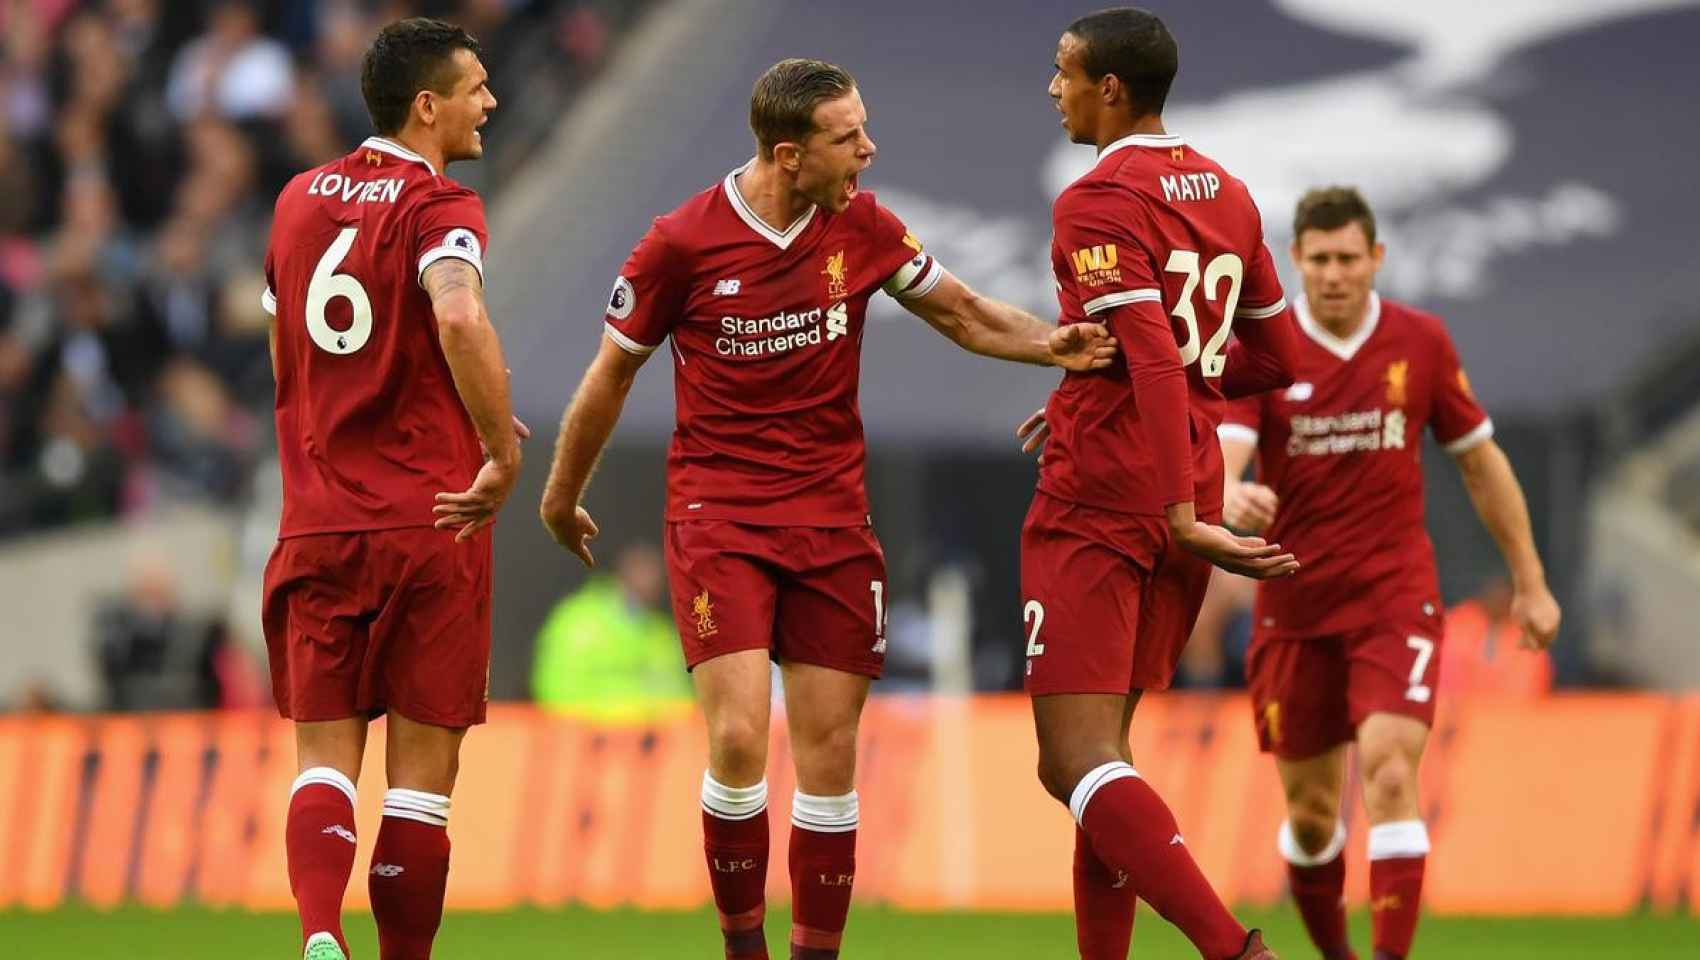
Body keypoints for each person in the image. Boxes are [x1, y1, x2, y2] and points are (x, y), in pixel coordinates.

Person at [539, 57, 1115, 960]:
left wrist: (1054, 346)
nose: (869, 152)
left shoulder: (865, 228)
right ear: (789, 155)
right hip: (719, 515)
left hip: (833, 523)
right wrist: (560, 496)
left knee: (829, 759)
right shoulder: (682, 243)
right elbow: (613, 374)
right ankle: (743, 947)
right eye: (849, 139)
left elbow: (961, 313)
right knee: (736, 737)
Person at [1012, 9, 1303, 960]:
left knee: (1074, 762)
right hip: (1187, 469)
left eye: (1063, 72)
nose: (1051, 89)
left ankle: (1236, 951)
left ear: (1110, 88)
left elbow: (1143, 346)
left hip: (1108, 492)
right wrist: (1189, 388)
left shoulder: (1094, 198)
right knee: (1111, 763)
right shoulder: (1228, 192)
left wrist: (1174, 505)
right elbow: (1278, 355)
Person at [1217, 186, 1560, 960]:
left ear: (1376, 259)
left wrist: (1530, 581)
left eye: (1348, 258)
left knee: (1390, 771)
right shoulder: (1260, 354)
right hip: (1293, 609)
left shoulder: (1421, 342)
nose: (1334, 274)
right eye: (1318, 260)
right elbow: (1226, 456)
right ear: (1295, 263)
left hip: (1392, 599)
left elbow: (1481, 465)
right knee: (1311, 817)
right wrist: (1229, 492)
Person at [259, 18, 521, 960]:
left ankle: (320, 934)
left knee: (322, 761)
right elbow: (457, 314)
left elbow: (290, 339)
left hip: (319, 520)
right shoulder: (440, 204)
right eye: (475, 87)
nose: (489, 101)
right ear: (427, 106)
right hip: (430, 518)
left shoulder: (295, 202)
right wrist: (496, 444)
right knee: (420, 781)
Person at [531, 541, 693, 722]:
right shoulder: (577, 621)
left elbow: (681, 700)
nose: (648, 581)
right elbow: (555, 689)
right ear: (620, 574)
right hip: (589, 742)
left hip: (650, 744)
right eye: (640, 570)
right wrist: (622, 719)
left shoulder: (664, 635)